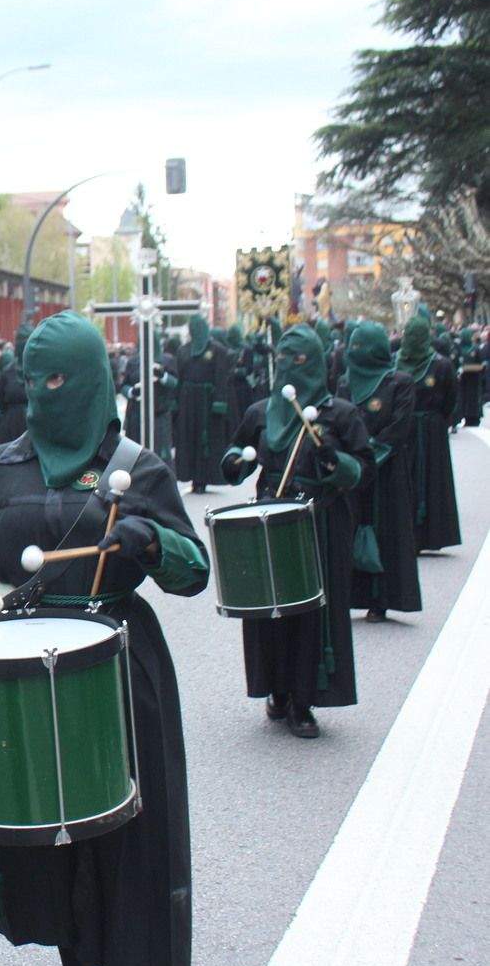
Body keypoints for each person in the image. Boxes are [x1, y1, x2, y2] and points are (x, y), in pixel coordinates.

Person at [0, 312, 206, 966]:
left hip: (118, 666)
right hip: (23, 668)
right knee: (47, 839)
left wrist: (151, 541)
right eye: (32, 381)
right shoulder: (2, 465)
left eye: (55, 379)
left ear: (85, 380)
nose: (41, 395)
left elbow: (193, 569)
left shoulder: (135, 467)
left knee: (128, 840)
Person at [222, 324, 372, 739]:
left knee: (312, 614)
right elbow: (235, 455)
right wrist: (236, 462)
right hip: (271, 516)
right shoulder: (260, 413)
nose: (290, 368)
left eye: (300, 360)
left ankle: (305, 699)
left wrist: (333, 461)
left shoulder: (339, 414)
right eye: (284, 360)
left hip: (320, 521)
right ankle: (276, 689)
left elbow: (363, 469)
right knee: (271, 610)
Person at [339, 322, 422, 622]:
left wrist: (372, 454)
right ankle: (352, 595)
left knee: (388, 529)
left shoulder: (400, 382)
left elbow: (400, 426)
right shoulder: (346, 383)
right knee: (351, 526)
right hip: (355, 471)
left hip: (388, 473)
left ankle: (383, 598)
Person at [395, 308, 460, 552]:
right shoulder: (437, 364)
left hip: (418, 429)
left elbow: (451, 398)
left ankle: (422, 536)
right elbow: (450, 400)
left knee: (419, 480)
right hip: (426, 430)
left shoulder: (438, 365)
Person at [172, 314, 234, 493]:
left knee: (205, 440)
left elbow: (221, 377)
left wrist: (219, 402)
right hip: (187, 402)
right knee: (188, 438)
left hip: (207, 403)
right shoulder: (183, 351)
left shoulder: (217, 350)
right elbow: (179, 378)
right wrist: (175, 402)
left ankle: (204, 478)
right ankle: (191, 476)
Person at [0, 324, 32, 444]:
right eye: (21, 341)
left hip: (37, 422)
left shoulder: (42, 370)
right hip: (12, 424)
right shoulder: (6, 373)